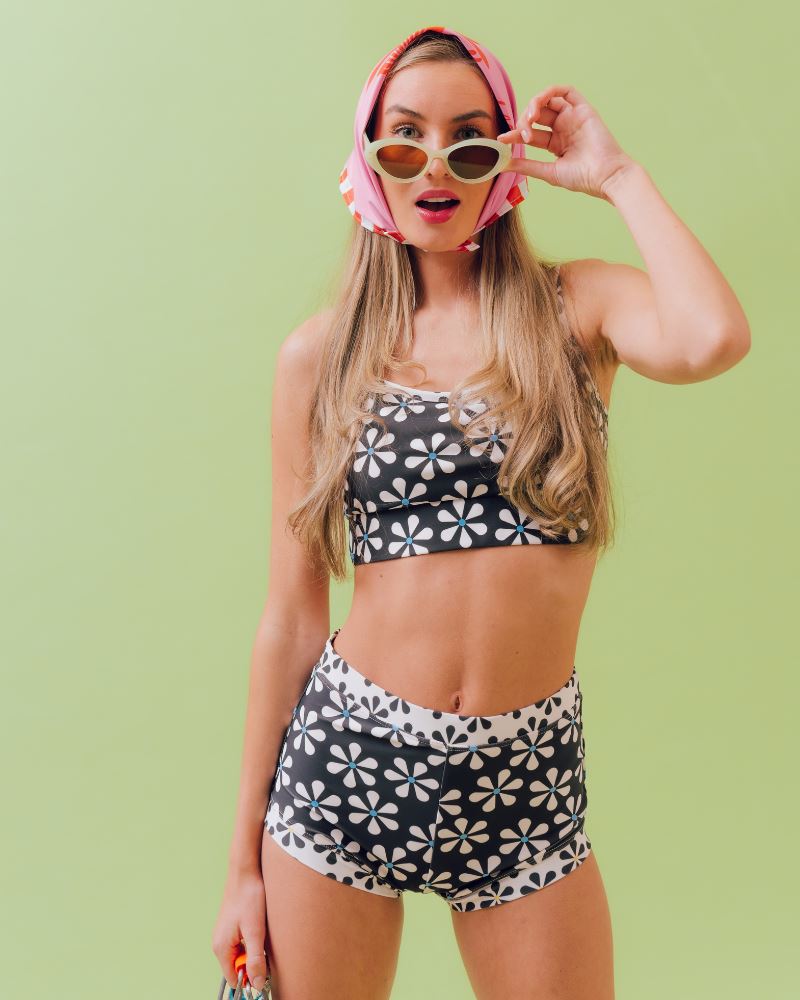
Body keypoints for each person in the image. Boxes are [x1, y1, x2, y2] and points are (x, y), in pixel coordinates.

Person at [212, 25, 750, 1000]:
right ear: (368, 160)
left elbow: (711, 336)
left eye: (468, 141)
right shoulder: (318, 356)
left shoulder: (572, 312)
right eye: (403, 140)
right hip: (348, 766)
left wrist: (617, 174)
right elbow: (290, 615)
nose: (434, 168)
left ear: (504, 161)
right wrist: (241, 864)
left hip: (526, 780)